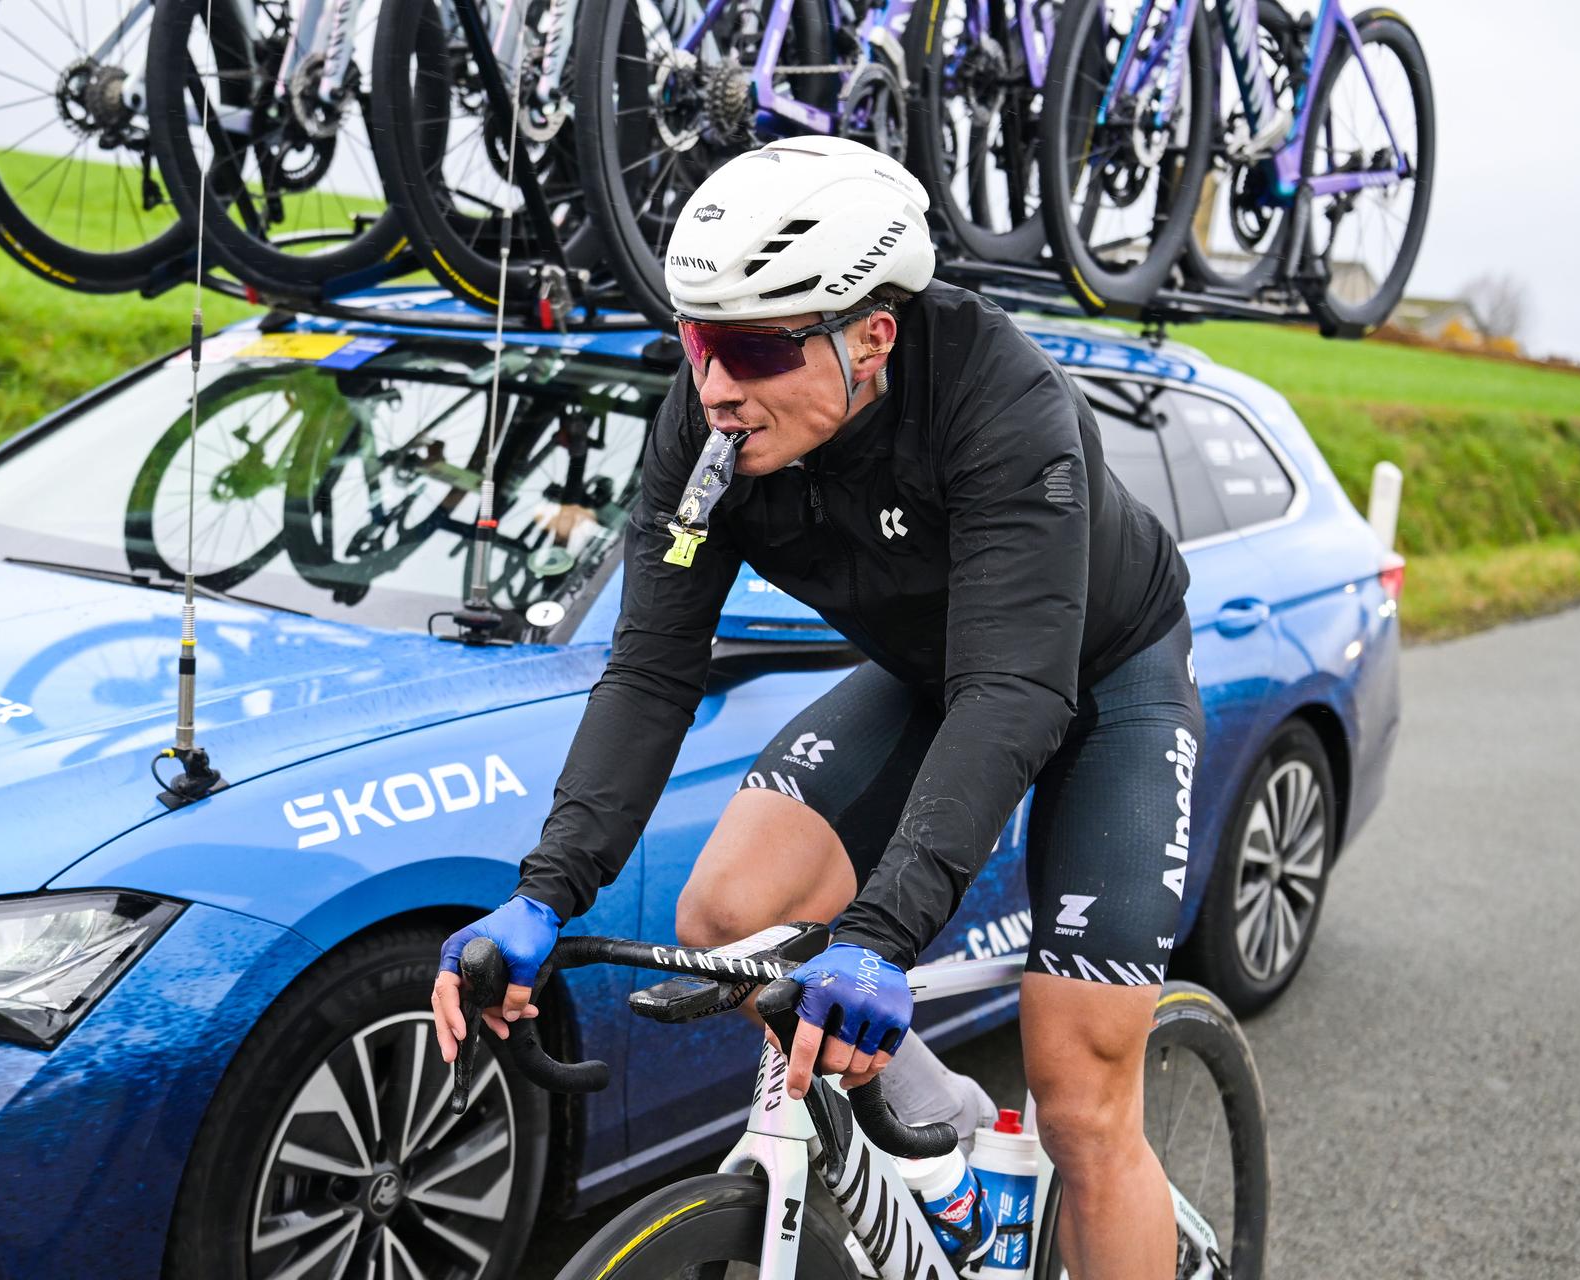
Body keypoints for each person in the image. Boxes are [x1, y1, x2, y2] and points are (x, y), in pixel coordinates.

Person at [431, 135, 1200, 1279]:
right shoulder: (711, 428)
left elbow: (1016, 689)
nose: (713, 384)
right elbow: (649, 670)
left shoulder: (998, 400)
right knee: (729, 913)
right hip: (940, 672)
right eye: (694, 339)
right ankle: (945, 1160)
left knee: (1081, 1096)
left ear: (872, 334)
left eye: (748, 346)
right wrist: (545, 890)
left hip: (1101, 678)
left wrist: (882, 933)